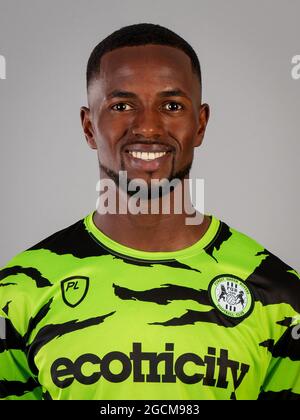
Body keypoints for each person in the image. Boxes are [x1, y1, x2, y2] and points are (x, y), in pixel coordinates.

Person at [0, 23, 299, 401]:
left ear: (201, 123)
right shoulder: (18, 294)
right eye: (121, 106)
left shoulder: (280, 297)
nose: (148, 127)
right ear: (89, 127)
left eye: (172, 106)